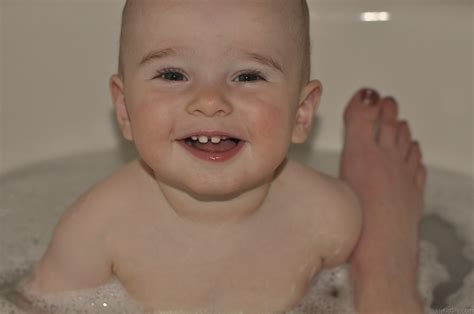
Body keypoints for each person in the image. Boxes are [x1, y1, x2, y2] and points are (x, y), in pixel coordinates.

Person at [22, 0, 426, 313]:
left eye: (248, 76)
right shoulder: (94, 232)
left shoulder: (327, 215)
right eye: (173, 75)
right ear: (125, 110)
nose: (210, 101)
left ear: (301, 113)